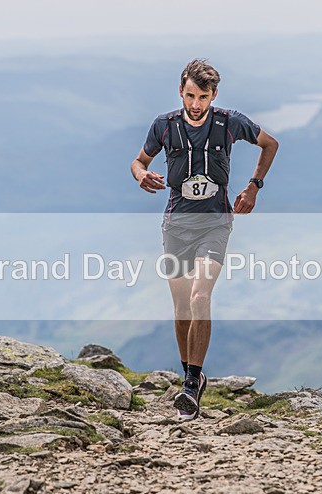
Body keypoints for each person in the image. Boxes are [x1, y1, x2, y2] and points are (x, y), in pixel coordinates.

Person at [130, 59, 279, 421]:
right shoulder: (164, 126)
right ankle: (191, 379)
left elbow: (270, 144)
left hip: (215, 222)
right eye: (191, 95)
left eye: (204, 97)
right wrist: (141, 175)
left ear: (215, 95)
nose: (196, 104)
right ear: (180, 91)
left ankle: (190, 384)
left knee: (200, 296)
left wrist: (253, 187)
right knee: (182, 307)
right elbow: (137, 161)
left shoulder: (230, 122)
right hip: (176, 225)